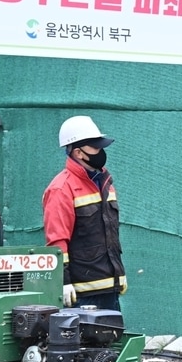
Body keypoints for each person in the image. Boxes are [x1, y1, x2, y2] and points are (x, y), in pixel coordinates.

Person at [43, 115, 125, 310]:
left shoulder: (104, 182)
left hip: (109, 290)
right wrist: (63, 282)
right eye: (95, 146)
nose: (101, 151)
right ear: (78, 153)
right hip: (82, 297)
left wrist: (118, 276)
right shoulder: (61, 189)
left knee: (114, 340)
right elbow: (56, 242)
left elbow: (109, 235)